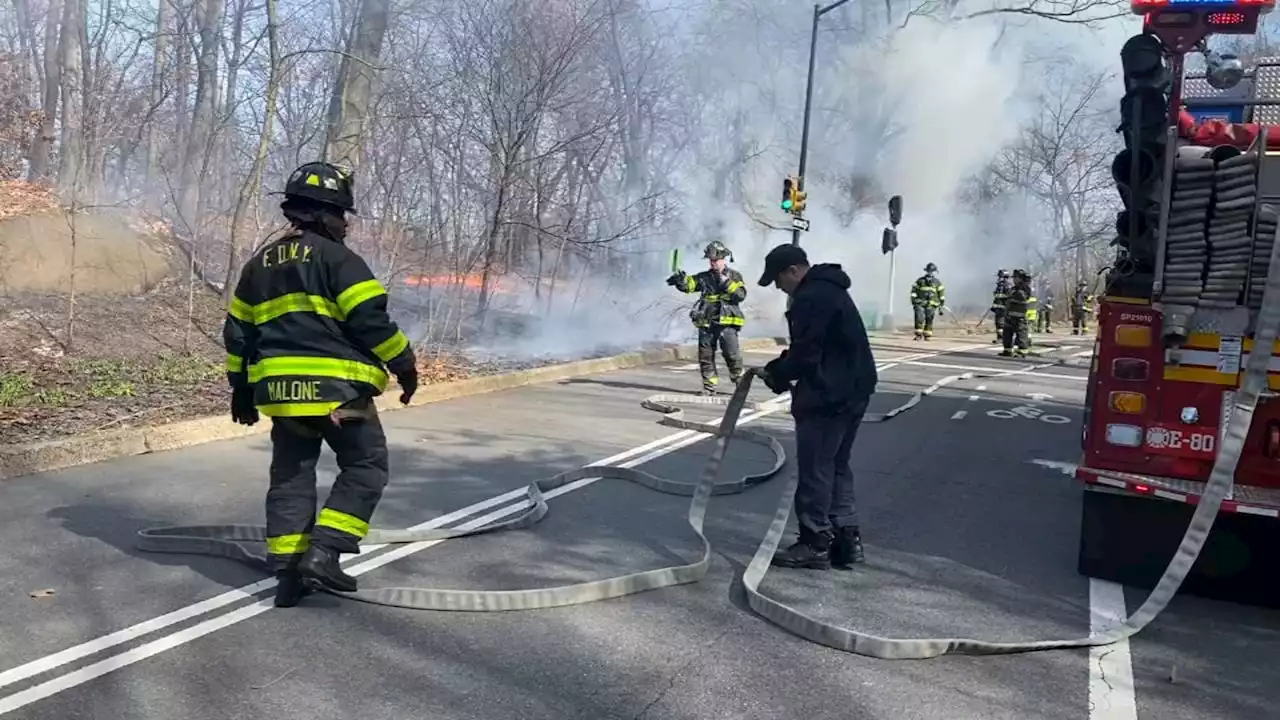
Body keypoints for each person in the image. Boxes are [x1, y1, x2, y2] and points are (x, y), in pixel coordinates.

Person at [222, 161, 419, 608]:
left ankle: (288, 577)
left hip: (282, 396)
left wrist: (241, 388)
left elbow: (238, 332)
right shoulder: (339, 260)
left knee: (291, 478)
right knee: (366, 465)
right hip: (339, 391)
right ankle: (325, 553)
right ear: (326, 213)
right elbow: (370, 321)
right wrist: (405, 365)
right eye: (342, 216)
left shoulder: (258, 265)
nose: (345, 226)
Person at [756, 243, 878, 570]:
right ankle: (847, 541)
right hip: (854, 390)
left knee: (816, 469)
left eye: (779, 280)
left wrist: (778, 374)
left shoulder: (809, 298)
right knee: (837, 464)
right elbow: (823, 347)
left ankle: (815, 542)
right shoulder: (833, 289)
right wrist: (783, 364)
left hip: (828, 395)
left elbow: (807, 355)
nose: (779, 288)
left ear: (793, 271)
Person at [667, 240, 747, 394]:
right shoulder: (704, 277)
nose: (713, 264)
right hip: (706, 321)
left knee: (731, 354)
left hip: (728, 321)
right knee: (706, 356)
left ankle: (740, 385)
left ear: (723, 259)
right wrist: (680, 280)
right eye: (711, 261)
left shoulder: (735, 276)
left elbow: (740, 295)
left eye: (715, 260)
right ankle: (709, 386)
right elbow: (690, 285)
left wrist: (726, 283)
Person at [1000, 269, 1033, 358]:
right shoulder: (1014, 288)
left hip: (1020, 317)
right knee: (1006, 335)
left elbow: (1023, 298)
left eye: (1016, 278)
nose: (1014, 280)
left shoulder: (1025, 288)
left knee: (1021, 336)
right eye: (1014, 278)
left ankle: (1022, 352)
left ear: (1021, 279)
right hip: (1010, 316)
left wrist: (1015, 294)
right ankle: (1007, 351)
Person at [910, 262, 945, 340]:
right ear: (926, 271)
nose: (930, 273)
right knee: (919, 318)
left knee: (929, 319)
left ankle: (927, 335)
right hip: (920, 303)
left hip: (931, 305)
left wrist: (941, 304)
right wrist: (914, 301)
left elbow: (941, 294)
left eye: (932, 271)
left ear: (935, 272)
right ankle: (918, 335)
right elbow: (913, 291)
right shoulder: (920, 281)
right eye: (929, 271)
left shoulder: (937, 282)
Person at [989, 269, 1010, 344]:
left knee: (1000, 323)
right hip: (998, 308)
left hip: (1002, 308)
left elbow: (1006, 296)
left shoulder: (1006, 285)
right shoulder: (1001, 285)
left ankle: (1001, 338)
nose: (999, 278)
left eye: (1000, 276)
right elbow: (997, 297)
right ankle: (1000, 337)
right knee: (998, 323)